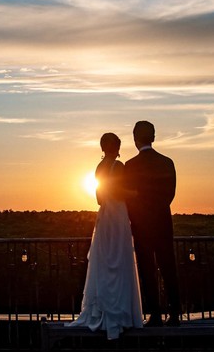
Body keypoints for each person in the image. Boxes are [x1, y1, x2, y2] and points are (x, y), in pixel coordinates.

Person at [66, 132, 144, 340]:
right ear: (116, 146)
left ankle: (103, 310)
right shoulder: (119, 167)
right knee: (119, 261)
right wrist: (137, 194)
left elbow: (100, 199)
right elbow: (120, 192)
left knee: (106, 262)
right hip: (117, 217)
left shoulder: (99, 168)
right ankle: (119, 312)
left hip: (104, 218)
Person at [124, 120, 182, 326]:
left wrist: (137, 216)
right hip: (163, 223)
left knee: (147, 269)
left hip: (141, 225)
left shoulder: (130, 166)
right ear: (154, 137)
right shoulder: (167, 162)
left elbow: (128, 197)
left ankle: (155, 314)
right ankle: (175, 313)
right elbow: (170, 194)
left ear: (135, 139)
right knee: (169, 267)